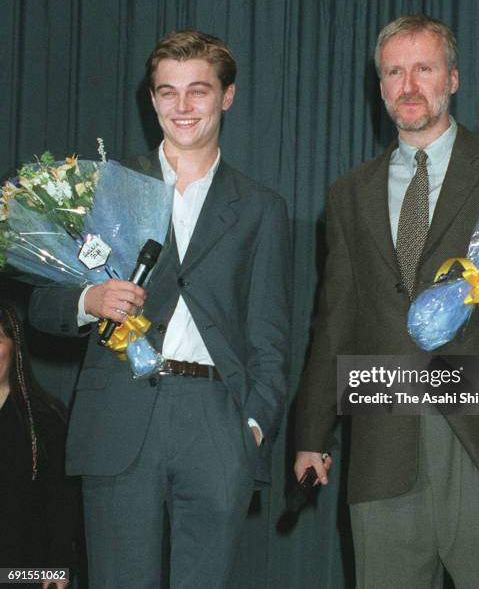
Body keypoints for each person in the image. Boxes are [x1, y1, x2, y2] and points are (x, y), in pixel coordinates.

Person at [294, 15, 479, 588]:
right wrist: (311, 434)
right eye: (394, 72)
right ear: (379, 87)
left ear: (452, 79)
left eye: (423, 69)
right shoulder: (348, 192)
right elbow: (334, 321)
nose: (409, 85)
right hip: (384, 436)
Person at [29, 30, 291, 588]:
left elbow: (270, 337)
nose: (182, 106)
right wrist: (88, 300)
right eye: (167, 92)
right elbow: (42, 306)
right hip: (119, 419)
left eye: (198, 91)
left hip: (217, 422)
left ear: (227, 96)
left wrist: (252, 427)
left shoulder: (262, 208)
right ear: (151, 100)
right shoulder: (102, 189)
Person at [0, 304, 79, 589]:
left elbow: (61, 500)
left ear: (15, 347)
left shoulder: (46, 418)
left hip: (21, 574)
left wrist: (58, 566)